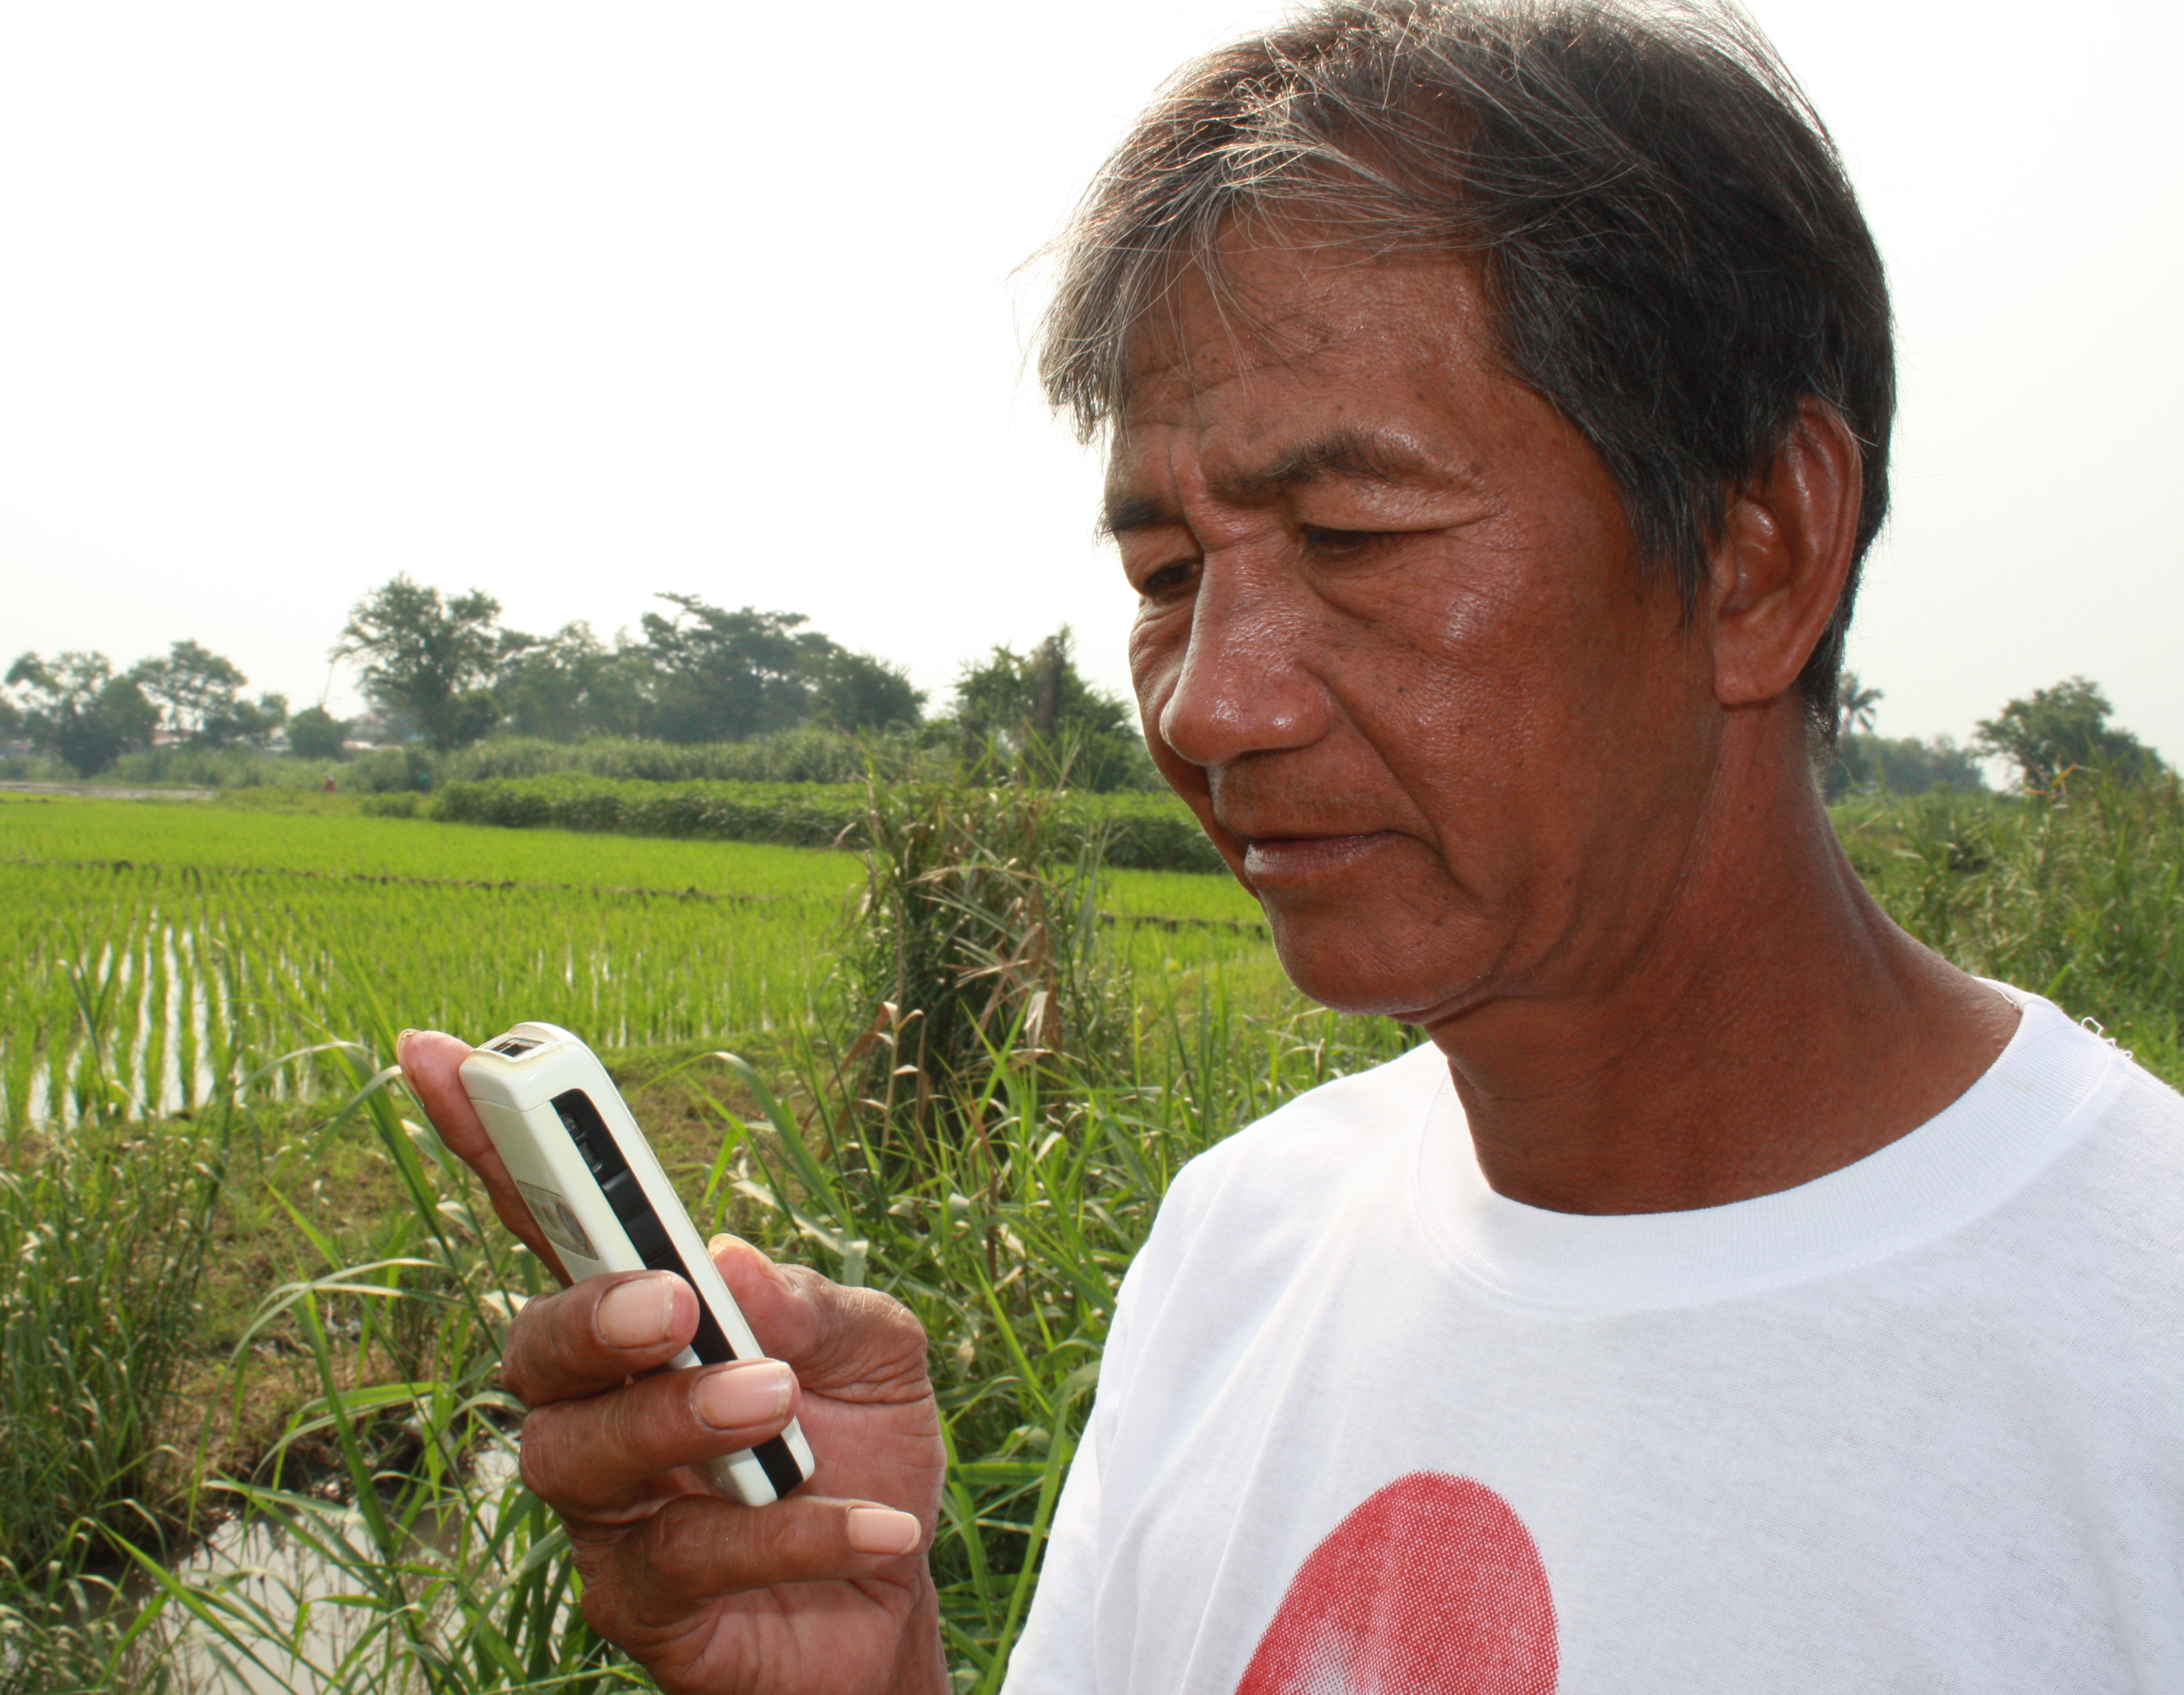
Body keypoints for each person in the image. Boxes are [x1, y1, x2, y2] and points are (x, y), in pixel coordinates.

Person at [397, 1, 2184, 1688]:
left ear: (1756, 550)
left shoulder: (2137, 1357)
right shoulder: (1239, 1240)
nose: (1204, 706)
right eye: (1165, 574)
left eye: (1348, 530)